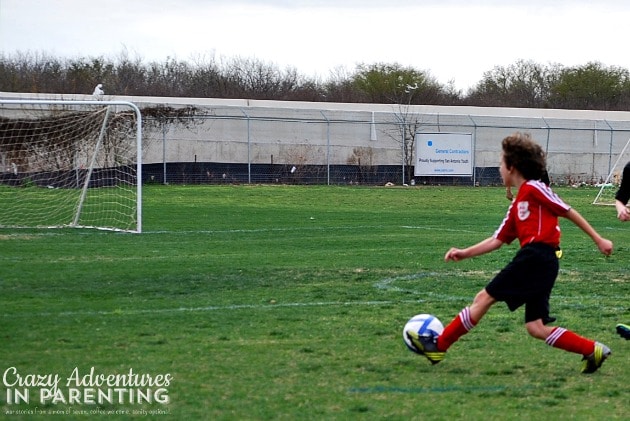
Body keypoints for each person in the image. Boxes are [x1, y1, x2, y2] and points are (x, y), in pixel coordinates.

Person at [407, 132, 614, 374]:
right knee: (535, 327)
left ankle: (439, 346)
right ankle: (592, 349)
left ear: (511, 167)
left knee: (483, 298)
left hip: (536, 257)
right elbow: (497, 240)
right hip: (542, 262)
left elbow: (567, 210)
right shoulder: (518, 204)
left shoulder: (535, 188)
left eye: (500, 164)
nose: (499, 169)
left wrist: (598, 239)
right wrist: (465, 253)